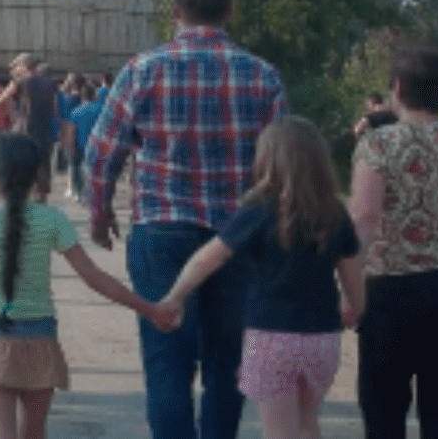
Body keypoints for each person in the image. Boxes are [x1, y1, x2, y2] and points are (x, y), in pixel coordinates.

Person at [84, 0, 287, 439]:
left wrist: (100, 212)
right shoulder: (263, 76)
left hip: (161, 231)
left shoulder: (142, 70)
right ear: (230, 10)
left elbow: (101, 154)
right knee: (227, 364)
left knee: (167, 362)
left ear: (175, 11)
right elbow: (281, 167)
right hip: (238, 238)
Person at [0, 132, 176, 439]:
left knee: (0, 431)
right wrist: (147, 307)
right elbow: (94, 277)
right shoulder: (52, 220)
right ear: (37, 175)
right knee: (34, 432)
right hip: (40, 340)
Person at [153, 118, 364, 439]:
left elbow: (209, 257)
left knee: (278, 431)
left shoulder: (259, 211)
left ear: (268, 159)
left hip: (271, 336)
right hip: (322, 338)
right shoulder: (335, 213)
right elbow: (352, 270)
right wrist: (355, 306)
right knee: (307, 423)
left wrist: (176, 294)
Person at [347, 43, 438, 439]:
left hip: (393, 289)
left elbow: (364, 217)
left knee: (384, 412)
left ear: (396, 87)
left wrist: (349, 289)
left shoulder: (379, 144)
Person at [0, 55, 61, 202]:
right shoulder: (50, 83)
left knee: (24, 164)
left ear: (24, 66)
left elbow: (1, 100)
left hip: (27, 130)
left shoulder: (19, 82)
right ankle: (42, 197)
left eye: (16, 65)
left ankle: (27, 197)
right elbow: (56, 108)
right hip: (45, 131)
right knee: (43, 164)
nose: (14, 69)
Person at [68, 83, 103, 203]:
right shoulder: (102, 109)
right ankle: (96, 194)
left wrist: (71, 148)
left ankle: (80, 193)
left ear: (82, 96)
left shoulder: (76, 111)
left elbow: (72, 132)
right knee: (97, 171)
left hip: (80, 145)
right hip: (98, 145)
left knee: (77, 169)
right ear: (93, 95)